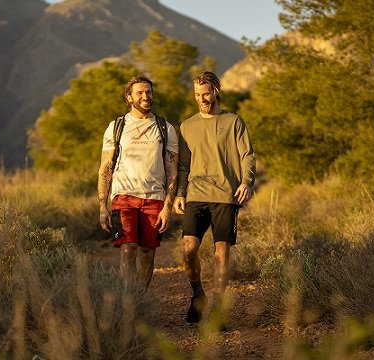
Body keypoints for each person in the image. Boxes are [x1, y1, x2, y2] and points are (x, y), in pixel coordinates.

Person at [174, 71, 256, 325]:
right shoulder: (187, 126)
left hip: (224, 195)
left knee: (222, 252)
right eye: (198, 95)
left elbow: (247, 155)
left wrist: (246, 181)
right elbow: (183, 166)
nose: (202, 99)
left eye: (206, 93)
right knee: (189, 251)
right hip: (195, 195)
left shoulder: (234, 122)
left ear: (216, 91)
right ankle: (198, 293)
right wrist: (180, 193)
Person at [97, 76, 178, 291]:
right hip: (123, 198)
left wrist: (167, 208)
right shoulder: (116, 127)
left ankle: (141, 300)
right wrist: (102, 207)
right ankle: (128, 303)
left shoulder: (165, 128)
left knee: (147, 252)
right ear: (129, 97)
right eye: (140, 93)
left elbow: (172, 171)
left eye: (148, 92)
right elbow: (105, 168)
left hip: (154, 199)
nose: (145, 96)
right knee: (128, 247)